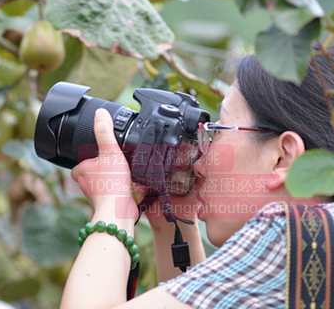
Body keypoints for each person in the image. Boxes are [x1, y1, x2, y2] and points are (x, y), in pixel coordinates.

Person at [60, 52, 334, 309]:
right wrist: (174, 221)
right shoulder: (319, 242)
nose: (200, 158)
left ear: (282, 157)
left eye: (217, 130)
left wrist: (113, 205)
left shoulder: (290, 238)